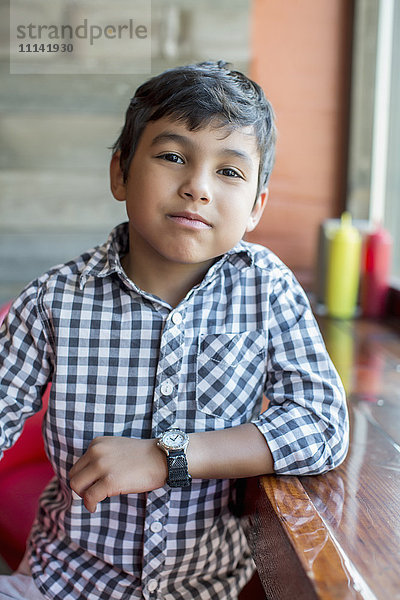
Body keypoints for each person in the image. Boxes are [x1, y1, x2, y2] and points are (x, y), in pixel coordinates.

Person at [0, 60, 349, 600]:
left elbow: (322, 425)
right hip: (64, 581)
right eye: (171, 157)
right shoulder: (53, 301)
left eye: (229, 171)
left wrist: (169, 457)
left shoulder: (267, 290)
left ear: (255, 206)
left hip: (206, 589)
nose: (197, 187)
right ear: (120, 173)